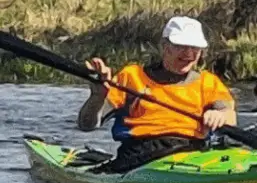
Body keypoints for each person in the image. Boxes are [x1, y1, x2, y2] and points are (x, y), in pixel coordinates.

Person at [77, 15, 237, 173]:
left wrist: (220, 115)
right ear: (164, 46)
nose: (188, 53)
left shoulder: (208, 82)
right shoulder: (131, 77)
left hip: (192, 152)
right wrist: (97, 97)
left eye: (195, 48)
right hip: (141, 155)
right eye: (180, 46)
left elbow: (230, 115)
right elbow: (87, 124)